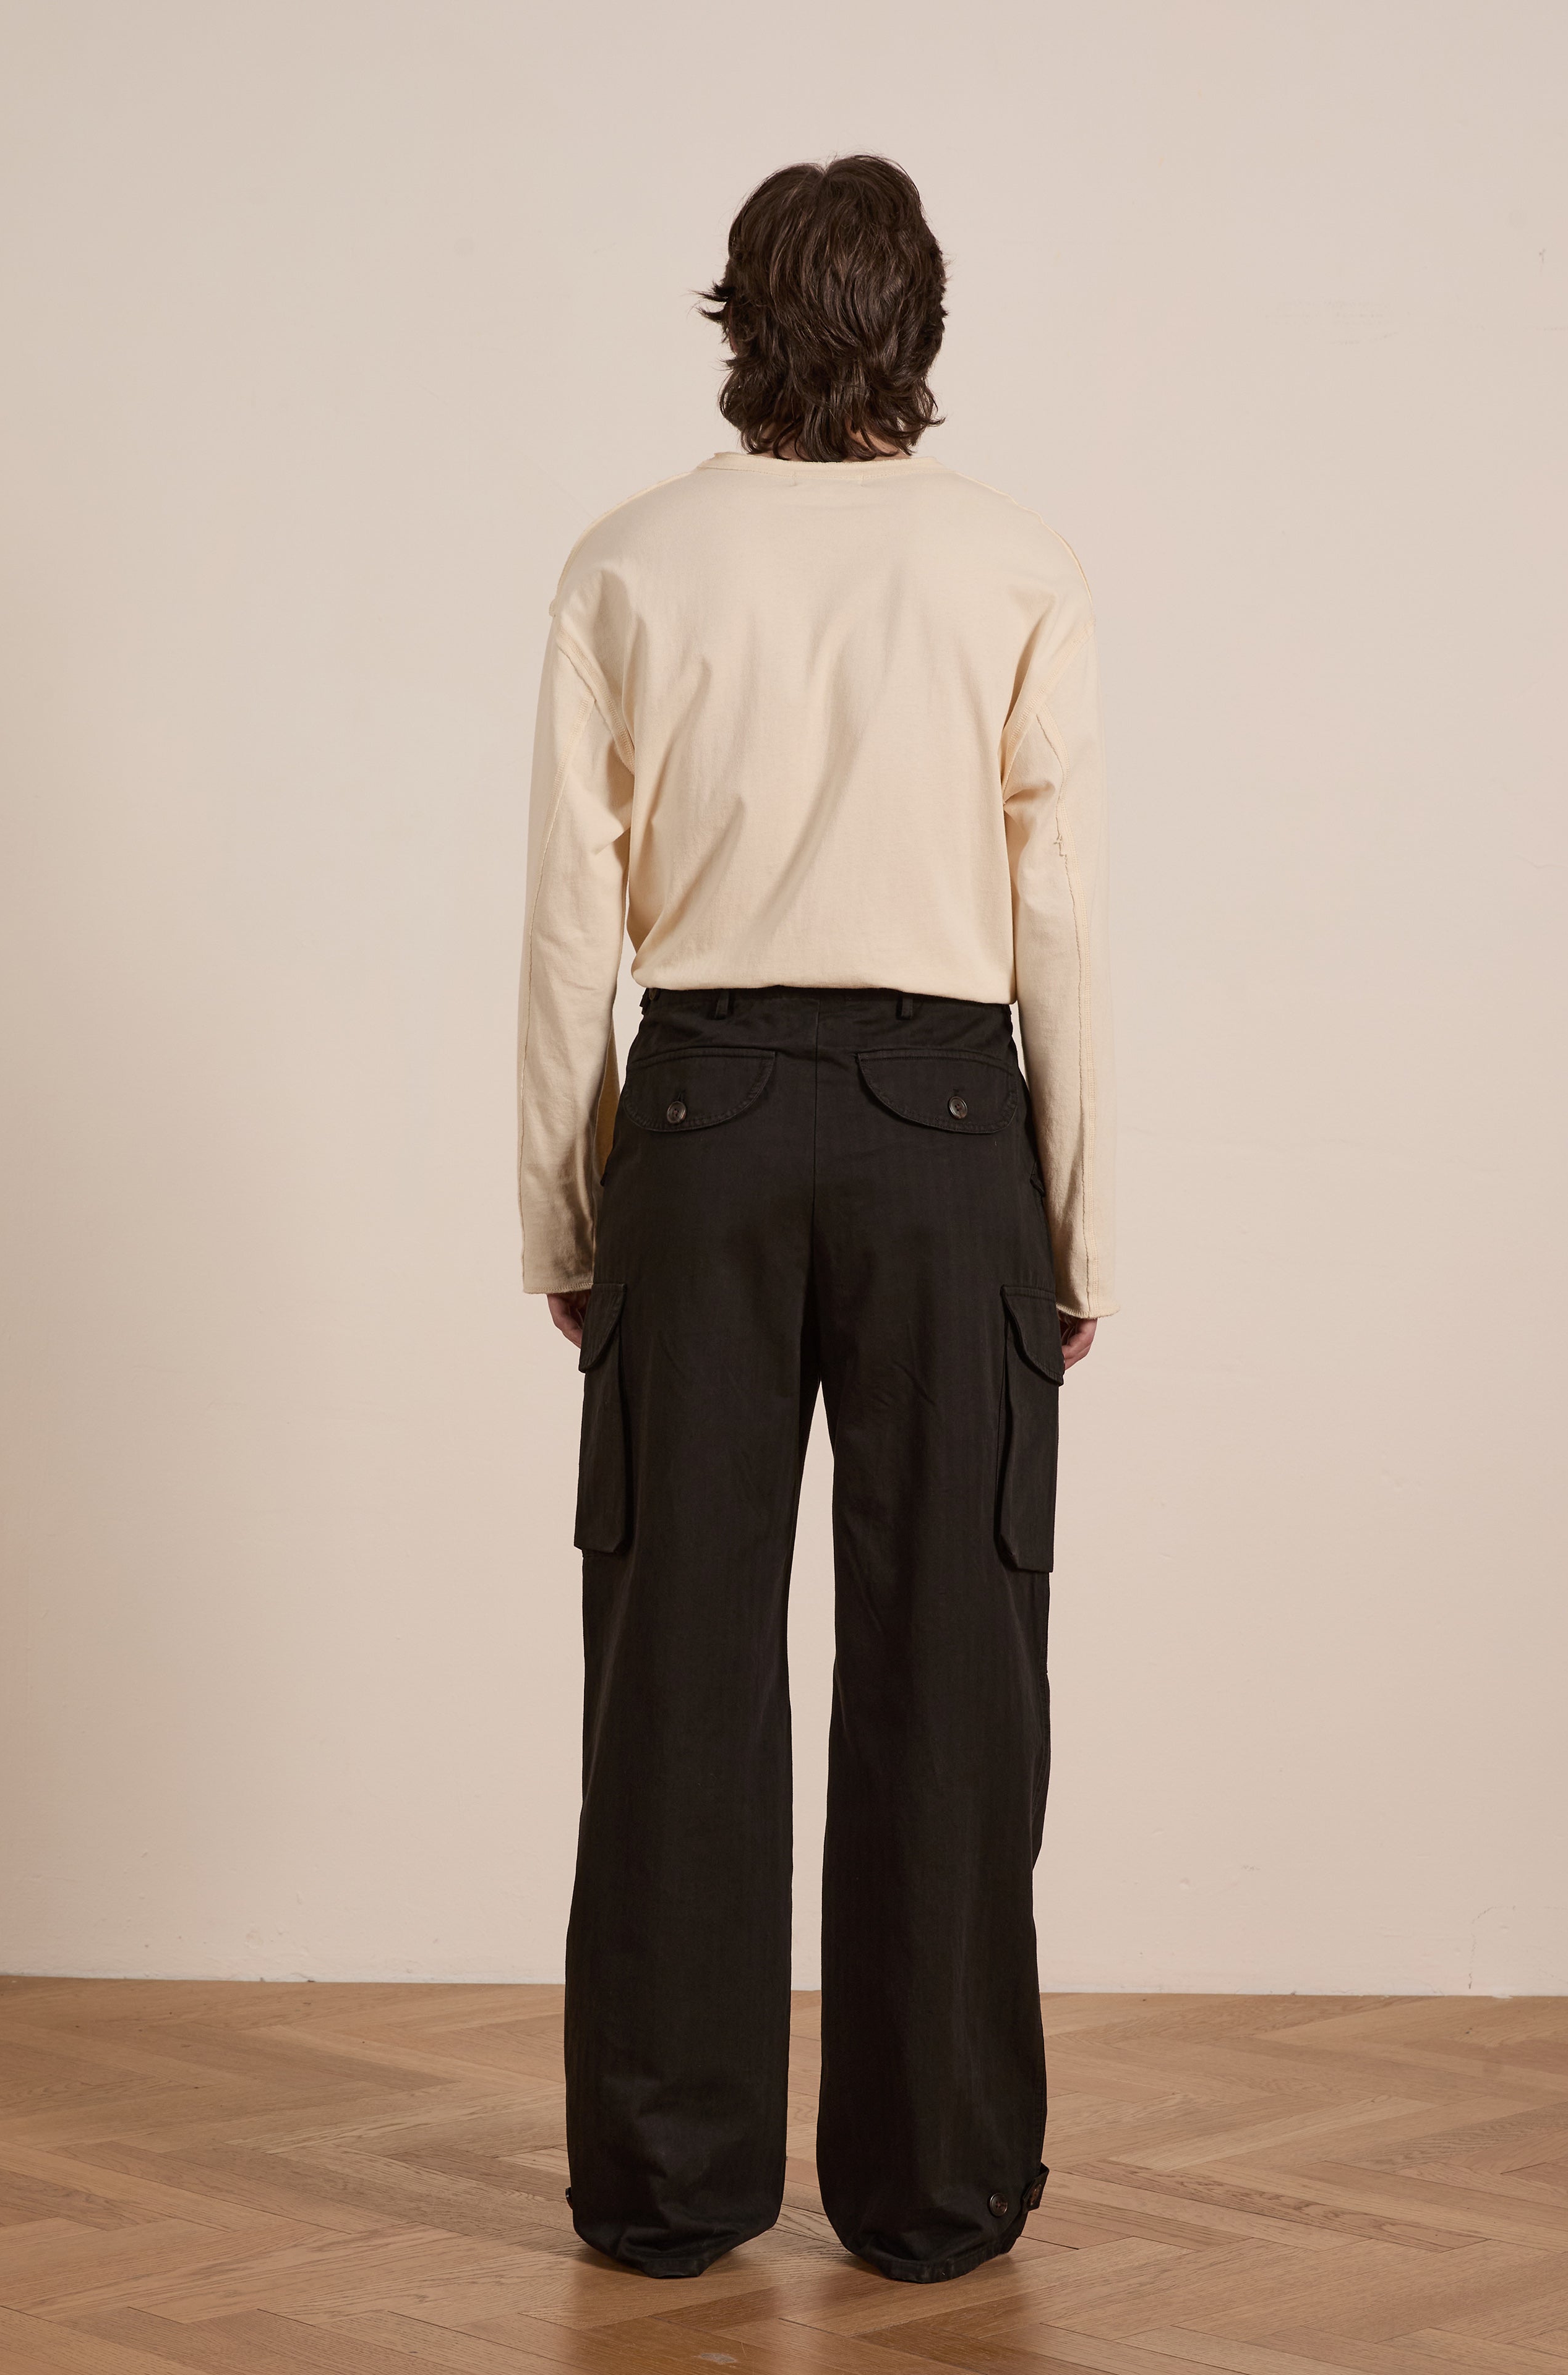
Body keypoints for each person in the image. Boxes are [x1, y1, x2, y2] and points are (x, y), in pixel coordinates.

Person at [515, 155, 1116, 2285]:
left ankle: (672, 2189)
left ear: (739, 316)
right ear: (922, 324)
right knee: (956, 1662)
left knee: (674, 1662)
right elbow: (1063, 921)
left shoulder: (630, 562)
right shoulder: (1016, 565)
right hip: (954, 1135)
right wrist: (1081, 1225)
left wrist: (565, 1215)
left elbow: (571, 925)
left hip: (701, 1116)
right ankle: (935, 2189)